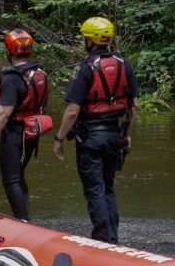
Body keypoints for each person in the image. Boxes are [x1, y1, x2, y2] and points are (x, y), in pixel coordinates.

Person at [53, 17, 138, 244]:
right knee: (108, 185)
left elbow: (72, 110)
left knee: (95, 189)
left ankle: (103, 238)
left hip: (90, 137)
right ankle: (112, 235)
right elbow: (133, 106)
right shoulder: (124, 64)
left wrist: (59, 138)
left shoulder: (85, 68)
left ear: (90, 39)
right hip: (114, 136)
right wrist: (127, 134)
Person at [0, 29, 49, 221]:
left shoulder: (12, 78)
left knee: (11, 178)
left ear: (9, 51)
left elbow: (4, 112)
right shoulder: (40, 72)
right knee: (18, 175)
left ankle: (22, 220)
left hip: (15, 134)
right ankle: (24, 217)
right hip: (31, 133)